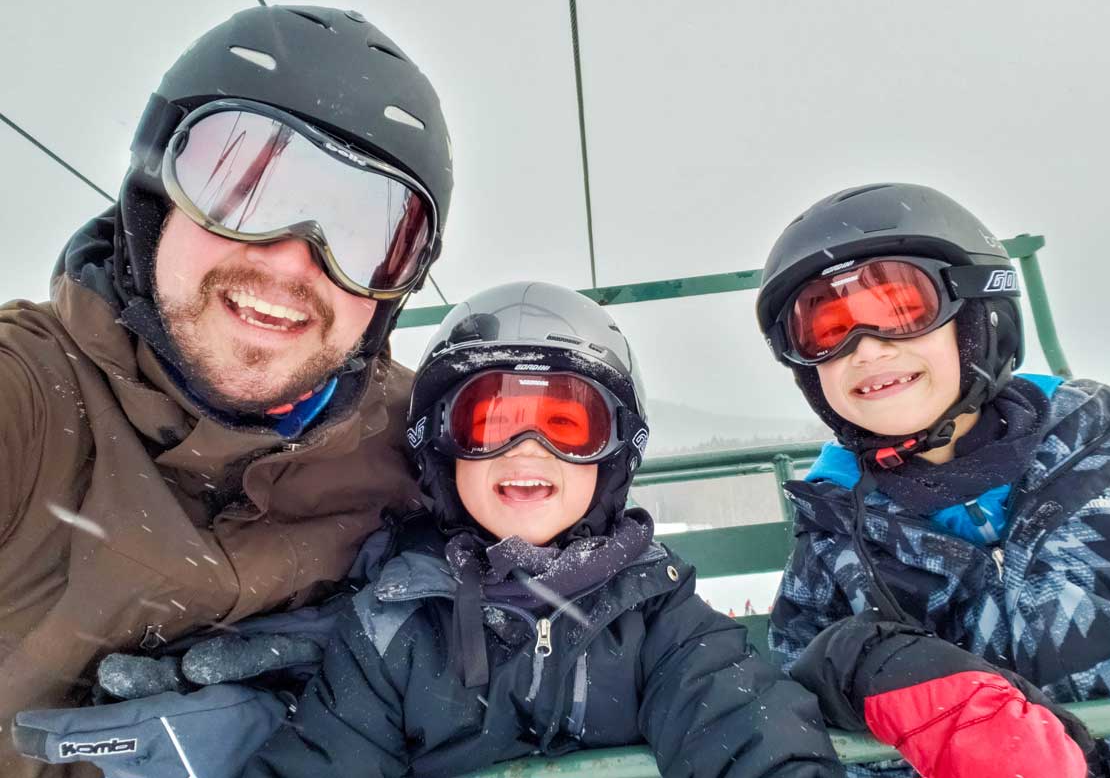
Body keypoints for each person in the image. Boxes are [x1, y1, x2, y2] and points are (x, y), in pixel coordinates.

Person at [16, 282, 846, 778]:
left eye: (566, 421)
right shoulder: (392, 632)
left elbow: (747, 733)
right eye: (488, 422)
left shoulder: (662, 621)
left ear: (611, 456)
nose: (527, 450)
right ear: (444, 455)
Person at [0, 4, 452, 777]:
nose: (289, 262)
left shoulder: (424, 448)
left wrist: (365, 698)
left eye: (366, 233)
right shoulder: (30, 399)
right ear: (154, 195)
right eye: (243, 186)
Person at [755, 183, 1110, 777]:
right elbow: (810, 724)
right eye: (827, 331)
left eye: (901, 311)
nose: (867, 350)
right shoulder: (835, 542)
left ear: (979, 317)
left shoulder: (1105, 459)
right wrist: (857, 666)